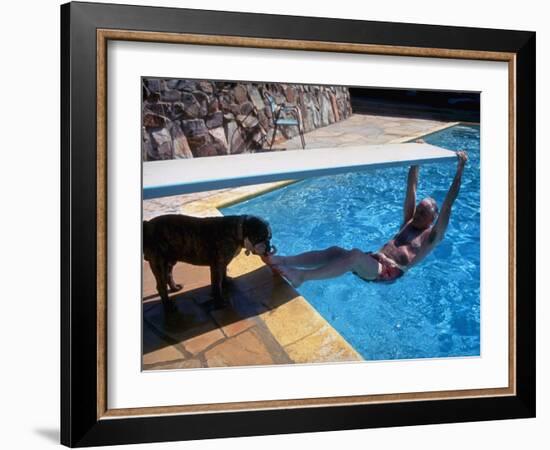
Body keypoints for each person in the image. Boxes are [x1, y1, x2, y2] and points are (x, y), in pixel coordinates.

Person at [262, 151, 469, 287]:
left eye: (423, 213)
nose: (417, 213)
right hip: (374, 260)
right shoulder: (409, 220)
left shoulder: (430, 237)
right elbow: (412, 186)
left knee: (352, 256)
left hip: (387, 272)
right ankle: (283, 260)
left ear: (433, 219)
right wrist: (416, 158)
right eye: (418, 209)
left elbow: (448, 204)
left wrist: (459, 170)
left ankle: (302, 276)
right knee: (335, 251)